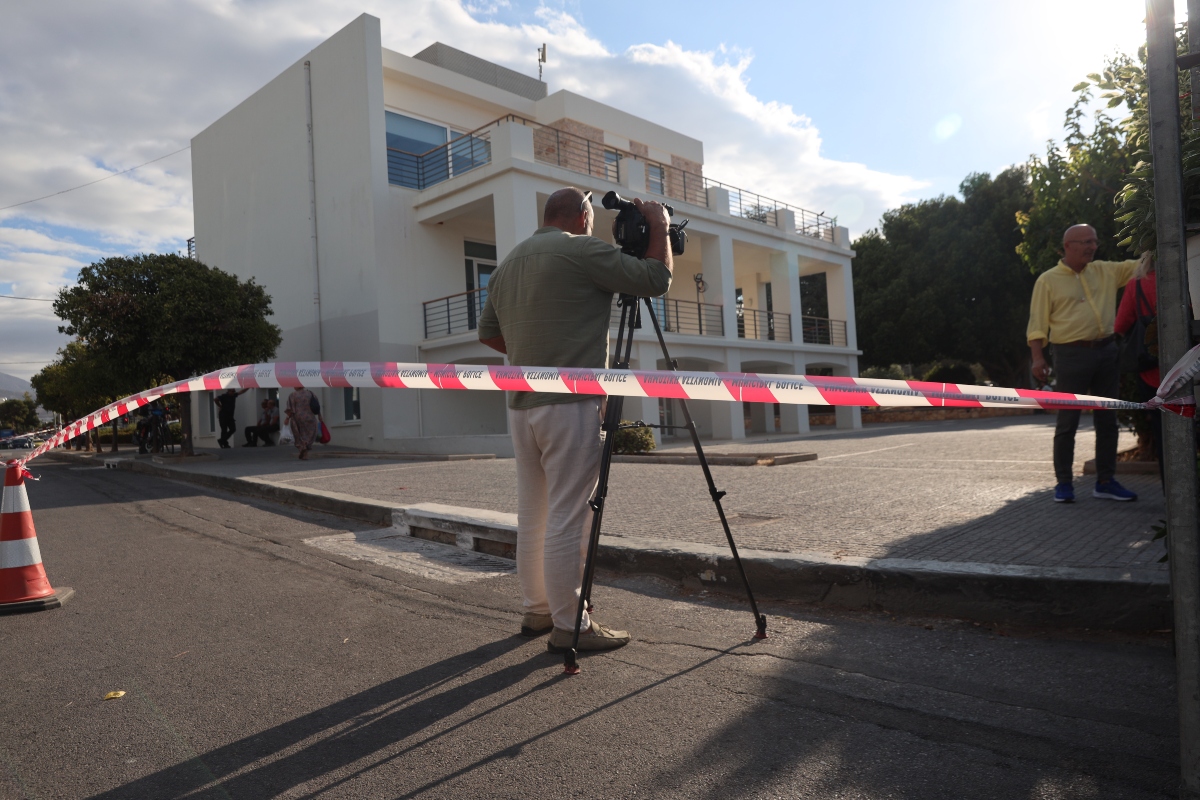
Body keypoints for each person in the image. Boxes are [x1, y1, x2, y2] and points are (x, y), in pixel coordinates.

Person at [478, 186, 673, 654]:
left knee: (535, 515)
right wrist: (660, 225)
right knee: (568, 516)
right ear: (583, 216)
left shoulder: (509, 264)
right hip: (569, 405)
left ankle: (539, 610)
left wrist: (536, 354)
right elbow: (655, 279)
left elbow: (488, 333)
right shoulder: (581, 249)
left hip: (521, 406)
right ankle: (572, 625)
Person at [1027, 224, 1140, 503]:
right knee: (1068, 422)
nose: (1092, 246)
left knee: (1108, 420)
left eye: (1094, 241)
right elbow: (1037, 324)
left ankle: (1105, 481)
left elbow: (1141, 265)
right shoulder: (1048, 280)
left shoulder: (1105, 270)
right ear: (1068, 246)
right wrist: (1038, 357)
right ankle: (1064, 484)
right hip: (1070, 356)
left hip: (1106, 353)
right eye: (1085, 242)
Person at [1114, 252, 1163, 484]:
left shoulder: (1137, 284)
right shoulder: (1186, 277)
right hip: (1190, 365)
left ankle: (1172, 501)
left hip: (1152, 371)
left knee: (1163, 435)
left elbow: (1121, 324)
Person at [283, 389, 318, 460]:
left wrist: (287, 418)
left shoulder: (293, 395)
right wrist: (320, 416)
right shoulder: (311, 393)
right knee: (309, 434)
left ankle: (302, 449)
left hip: (298, 417)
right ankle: (305, 451)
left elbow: (290, 408)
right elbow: (317, 405)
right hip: (310, 417)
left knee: (298, 434)